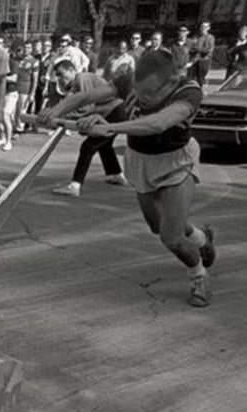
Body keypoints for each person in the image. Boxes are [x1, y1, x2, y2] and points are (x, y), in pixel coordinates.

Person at [50, 50, 215, 307]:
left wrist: (108, 127)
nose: (142, 99)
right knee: (158, 225)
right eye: (138, 92)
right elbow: (86, 95)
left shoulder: (188, 91)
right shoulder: (130, 80)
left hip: (175, 161)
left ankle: (198, 274)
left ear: (171, 82)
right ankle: (201, 237)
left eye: (149, 94)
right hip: (141, 160)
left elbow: (157, 123)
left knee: (170, 238)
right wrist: (54, 111)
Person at [43, 59, 128, 198]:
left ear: (72, 71)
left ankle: (75, 185)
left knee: (89, 146)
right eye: (56, 76)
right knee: (104, 145)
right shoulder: (76, 84)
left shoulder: (82, 78)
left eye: (61, 74)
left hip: (116, 111)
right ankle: (115, 174)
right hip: (113, 112)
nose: (60, 79)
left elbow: (84, 107)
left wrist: (61, 117)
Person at [188, 21, 215, 87]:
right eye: (202, 26)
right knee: (190, 79)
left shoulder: (210, 37)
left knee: (200, 79)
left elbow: (209, 50)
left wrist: (197, 49)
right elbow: (191, 48)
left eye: (205, 27)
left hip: (204, 60)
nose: (203, 28)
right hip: (194, 60)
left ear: (208, 28)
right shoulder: (196, 37)